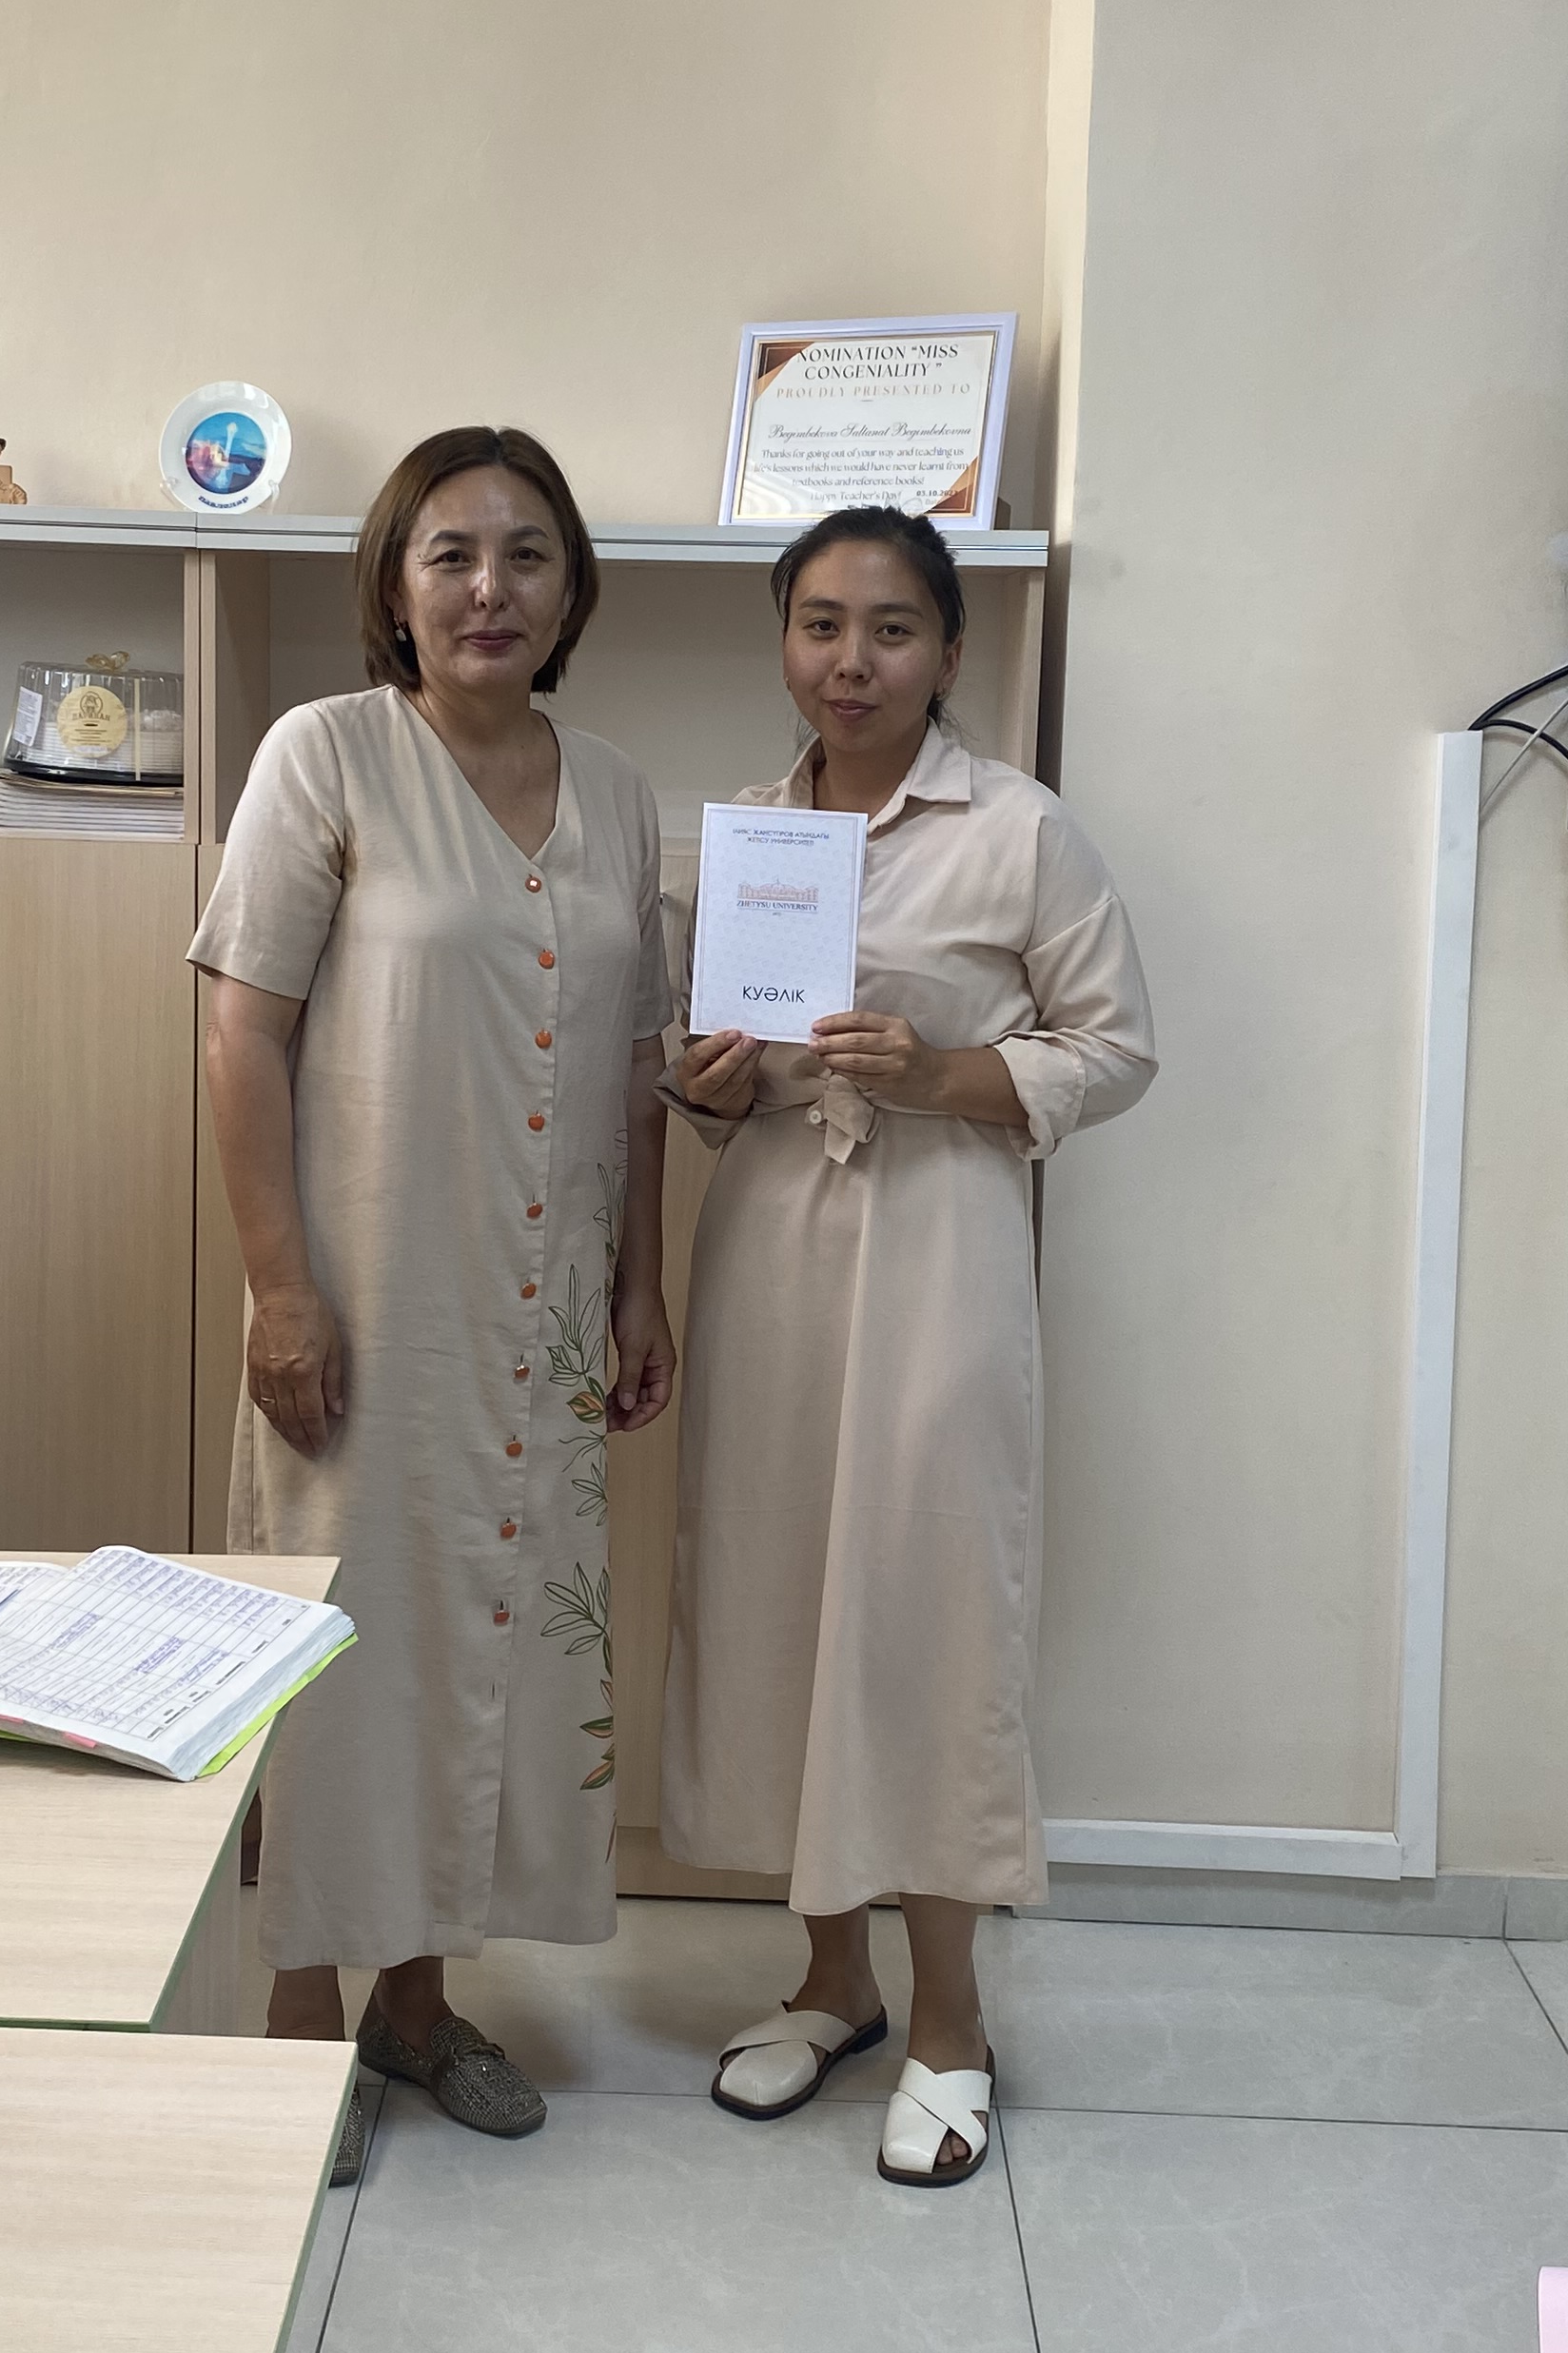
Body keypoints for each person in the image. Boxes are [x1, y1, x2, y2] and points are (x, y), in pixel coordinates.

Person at [191, 425, 675, 2175]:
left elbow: (636, 1062)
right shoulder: (325, 755)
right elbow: (242, 1030)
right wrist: (280, 1290)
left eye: (528, 554)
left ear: (573, 590)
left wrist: (641, 1287)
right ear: (395, 587)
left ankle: (417, 2004)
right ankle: (297, 2017)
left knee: (493, 1644)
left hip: (542, 1321)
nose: (491, 588)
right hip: (373, 1298)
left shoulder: (617, 789)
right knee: (347, 1644)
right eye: (452, 554)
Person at [662, 503, 1155, 2186]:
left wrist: (947, 1072)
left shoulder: (1020, 830)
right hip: (772, 1250)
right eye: (819, 624)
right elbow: (710, 1080)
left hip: (942, 1248)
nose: (850, 661)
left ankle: (951, 2018)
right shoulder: (749, 831)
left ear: (947, 650)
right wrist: (704, 1081)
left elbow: (1118, 1049)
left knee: (930, 1605)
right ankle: (831, 1982)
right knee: (781, 1595)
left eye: (889, 629)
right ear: (783, 642)